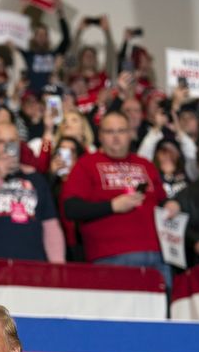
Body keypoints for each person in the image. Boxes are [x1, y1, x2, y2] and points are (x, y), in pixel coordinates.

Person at [62, 111, 175, 287]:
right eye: (110, 132)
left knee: (160, 314)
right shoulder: (86, 164)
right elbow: (71, 208)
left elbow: (161, 200)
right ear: (100, 136)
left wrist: (171, 204)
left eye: (121, 131)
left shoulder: (145, 164)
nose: (116, 137)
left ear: (130, 133)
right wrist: (112, 206)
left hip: (157, 256)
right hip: (110, 257)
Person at [0, 122, 65, 263]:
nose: (6, 147)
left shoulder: (35, 177)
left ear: (19, 144)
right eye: (0, 142)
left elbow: (50, 226)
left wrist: (57, 265)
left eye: (12, 142)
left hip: (32, 266)